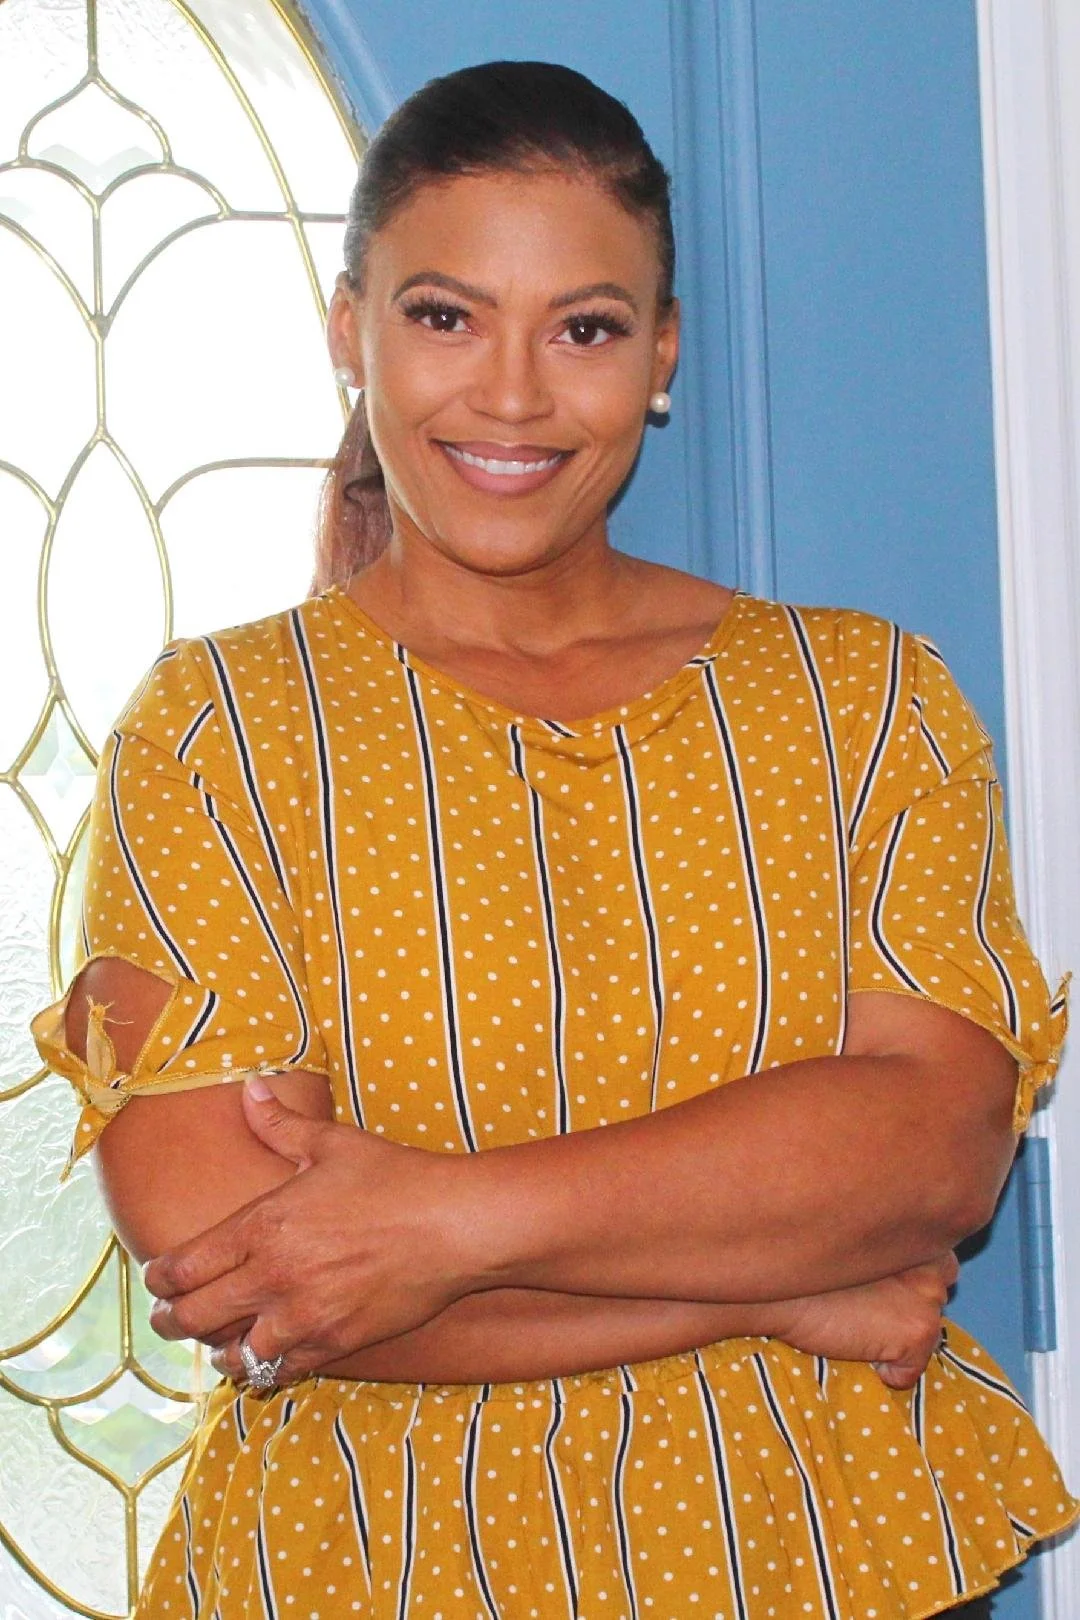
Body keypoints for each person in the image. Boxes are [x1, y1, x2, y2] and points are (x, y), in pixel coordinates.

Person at [30, 59, 1076, 1620]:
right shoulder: (217, 731)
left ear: (660, 354)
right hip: (358, 1570)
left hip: (818, 1554)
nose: (512, 396)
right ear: (349, 332)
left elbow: (934, 1149)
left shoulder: (863, 702)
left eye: (582, 328)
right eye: (445, 316)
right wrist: (783, 1288)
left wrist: (442, 1223)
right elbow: (239, 1272)